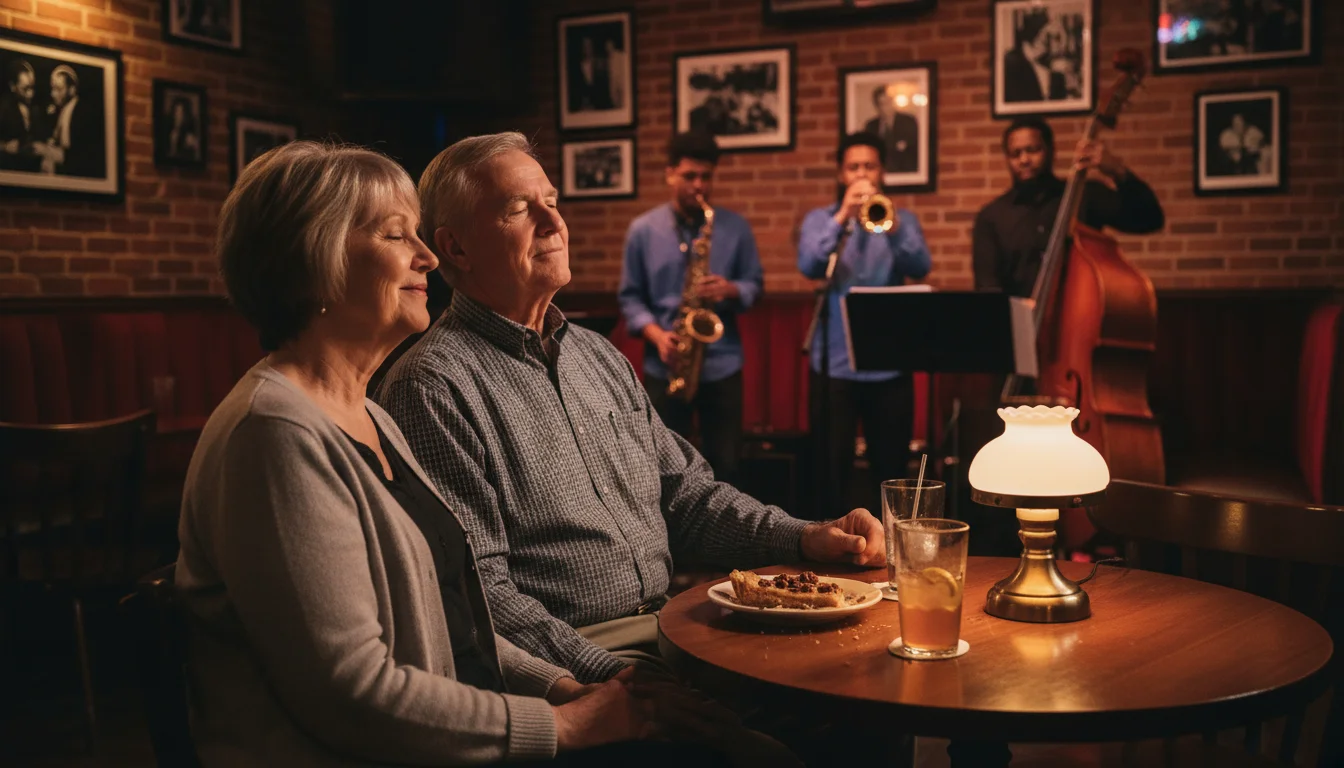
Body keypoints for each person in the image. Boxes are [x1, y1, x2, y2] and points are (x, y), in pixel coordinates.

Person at [176, 140, 729, 766]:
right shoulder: (274, 433)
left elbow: (452, 617)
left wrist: (566, 688)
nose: (427, 257)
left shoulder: (368, 414)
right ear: (314, 258)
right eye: (395, 236)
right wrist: (566, 725)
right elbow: (351, 695)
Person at [376, 132, 884, 687]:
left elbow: (688, 497)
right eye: (520, 209)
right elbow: (482, 595)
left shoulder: (597, 355)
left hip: (671, 623)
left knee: (868, 671)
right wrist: (616, 681)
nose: (553, 224)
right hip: (582, 656)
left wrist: (808, 537)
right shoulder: (431, 386)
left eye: (552, 202)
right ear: (455, 249)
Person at [797, 131, 932, 518]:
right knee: (831, 467)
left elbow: (919, 265)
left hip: (888, 363)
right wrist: (841, 216)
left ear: (882, 172)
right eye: (853, 167)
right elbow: (809, 265)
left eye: (869, 166)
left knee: (890, 468)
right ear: (842, 174)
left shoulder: (902, 221)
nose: (861, 174)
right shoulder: (820, 220)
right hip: (834, 363)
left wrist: (892, 229)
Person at [617, 132, 761, 484]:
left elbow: (755, 286)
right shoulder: (642, 230)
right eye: (689, 176)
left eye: (706, 176)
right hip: (665, 362)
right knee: (663, 471)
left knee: (726, 465)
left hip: (723, 364)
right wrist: (657, 336)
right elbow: (630, 297)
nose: (699, 185)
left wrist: (730, 289)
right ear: (670, 174)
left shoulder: (735, 227)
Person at [972, 117, 1166, 297]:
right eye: (1015, 154)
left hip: (1082, 315)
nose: (1024, 160)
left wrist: (1118, 171)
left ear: (1050, 151)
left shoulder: (1084, 195)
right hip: (1023, 327)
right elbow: (988, 287)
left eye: (1033, 150)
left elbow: (1149, 219)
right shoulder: (991, 217)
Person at [36, 65, 100, 177]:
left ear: (72, 89)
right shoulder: (57, 111)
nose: (53, 94)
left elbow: (87, 155)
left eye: (59, 89)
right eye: (52, 88)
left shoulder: (84, 113)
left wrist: (54, 153)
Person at [1002, 10, 1076, 103]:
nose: (1058, 45)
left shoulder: (1055, 69)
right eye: (1049, 36)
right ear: (1035, 35)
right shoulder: (1009, 64)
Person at [862, 85, 919, 174]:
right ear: (877, 106)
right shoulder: (871, 126)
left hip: (904, 173)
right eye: (882, 104)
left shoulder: (908, 122)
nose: (885, 107)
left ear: (893, 102)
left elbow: (914, 152)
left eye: (888, 102)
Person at [164, 95, 201, 162]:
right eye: (176, 112)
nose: (178, 116)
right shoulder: (166, 132)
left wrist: (195, 145)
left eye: (181, 113)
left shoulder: (190, 135)